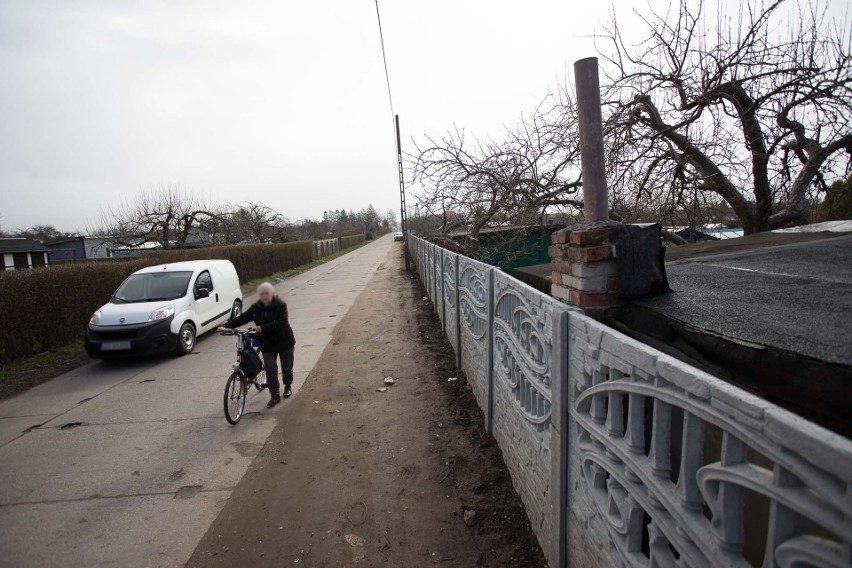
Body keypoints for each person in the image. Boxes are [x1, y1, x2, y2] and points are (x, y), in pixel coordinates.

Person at [220, 282, 296, 407]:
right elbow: (242, 318)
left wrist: (262, 328)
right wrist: (225, 326)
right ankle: (274, 394)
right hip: (267, 344)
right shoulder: (256, 308)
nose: (264, 296)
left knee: (287, 369)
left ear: (272, 294)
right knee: (270, 370)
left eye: (267, 293)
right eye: (262, 294)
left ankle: (288, 385)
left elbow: (282, 322)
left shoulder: (280, 305)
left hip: (284, 342)